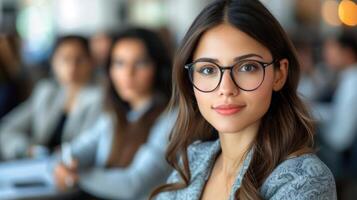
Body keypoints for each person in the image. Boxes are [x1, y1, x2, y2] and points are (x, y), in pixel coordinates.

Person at [151, 0, 337, 199]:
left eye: (247, 67)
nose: (226, 89)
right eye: (208, 70)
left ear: (279, 74)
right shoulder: (193, 159)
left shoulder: (305, 179)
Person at [53, 27, 175, 200]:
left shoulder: (172, 118)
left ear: (159, 68)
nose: (128, 74)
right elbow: (78, 148)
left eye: (140, 63)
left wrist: (75, 176)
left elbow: (133, 184)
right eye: (119, 63)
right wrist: (66, 163)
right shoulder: (116, 114)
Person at [0, 35, 103, 160]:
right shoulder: (46, 92)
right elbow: (7, 129)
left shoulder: (101, 97)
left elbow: (90, 146)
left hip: (75, 168)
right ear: (54, 62)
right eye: (65, 59)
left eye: (79, 59)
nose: (72, 67)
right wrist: (27, 149)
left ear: (91, 62)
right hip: (38, 166)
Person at [313, 31, 357, 177]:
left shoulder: (353, 82)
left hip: (341, 155)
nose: (327, 55)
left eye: (331, 50)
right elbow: (339, 112)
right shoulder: (347, 76)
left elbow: (341, 138)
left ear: (347, 53)